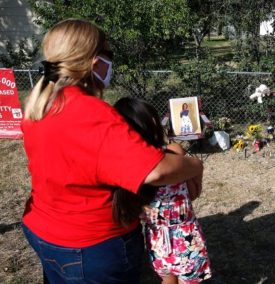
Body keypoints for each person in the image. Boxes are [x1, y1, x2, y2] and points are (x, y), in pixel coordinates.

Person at [21, 18, 203, 283]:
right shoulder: (91, 113)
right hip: (91, 244)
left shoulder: (39, 104)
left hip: (44, 231)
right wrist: (195, 166)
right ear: (95, 62)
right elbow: (157, 171)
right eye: (110, 55)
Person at [113, 97, 212, 284]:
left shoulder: (124, 167)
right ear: (152, 122)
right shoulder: (173, 151)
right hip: (185, 236)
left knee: (167, 279)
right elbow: (193, 193)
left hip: (156, 240)